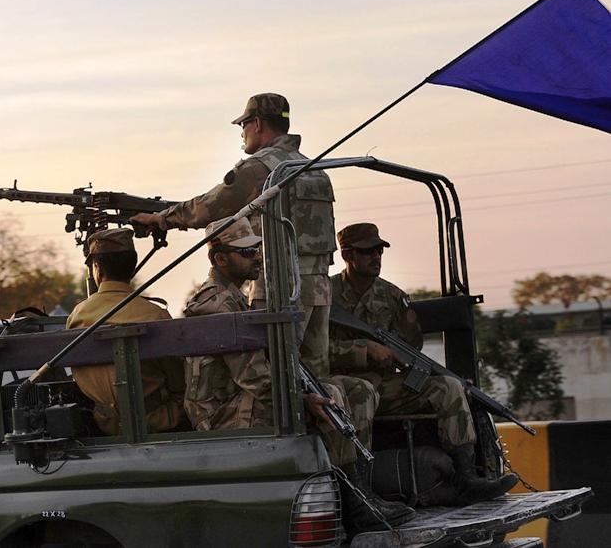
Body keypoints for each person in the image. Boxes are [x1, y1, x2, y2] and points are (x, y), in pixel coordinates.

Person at [184, 218, 413, 533]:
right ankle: (353, 503)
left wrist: (306, 390)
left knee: (344, 391)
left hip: (240, 400)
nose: (257, 256)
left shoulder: (234, 297)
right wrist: (304, 397)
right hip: (219, 412)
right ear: (219, 259)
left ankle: (359, 494)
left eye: (257, 249)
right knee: (327, 398)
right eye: (246, 251)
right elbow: (254, 378)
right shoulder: (216, 303)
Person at [131, 93, 336, 379]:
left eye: (243, 125)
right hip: (319, 287)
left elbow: (210, 206)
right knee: (316, 377)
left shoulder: (262, 167)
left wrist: (159, 219)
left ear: (257, 123)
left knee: (278, 374)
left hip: (279, 286)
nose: (242, 133)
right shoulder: (312, 168)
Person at [329, 222, 520, 505]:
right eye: (367, 251)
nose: (376, 257)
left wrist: (430, 371)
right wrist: (364, 349)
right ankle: (361, 495)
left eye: (379, 251)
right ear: (347, 255)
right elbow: (312, 350)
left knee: (448, 387)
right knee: (362, 393)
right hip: (338, 389)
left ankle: (467, 479)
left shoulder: (392, 296)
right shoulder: (326, 294)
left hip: (383, 386)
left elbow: (409, 350)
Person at [67, 227, 187, 436]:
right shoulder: (155, 315)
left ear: (98, 269)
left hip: (104, 424)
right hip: (159, 423)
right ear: (132, 269)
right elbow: (178, 382)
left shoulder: (78, 316)